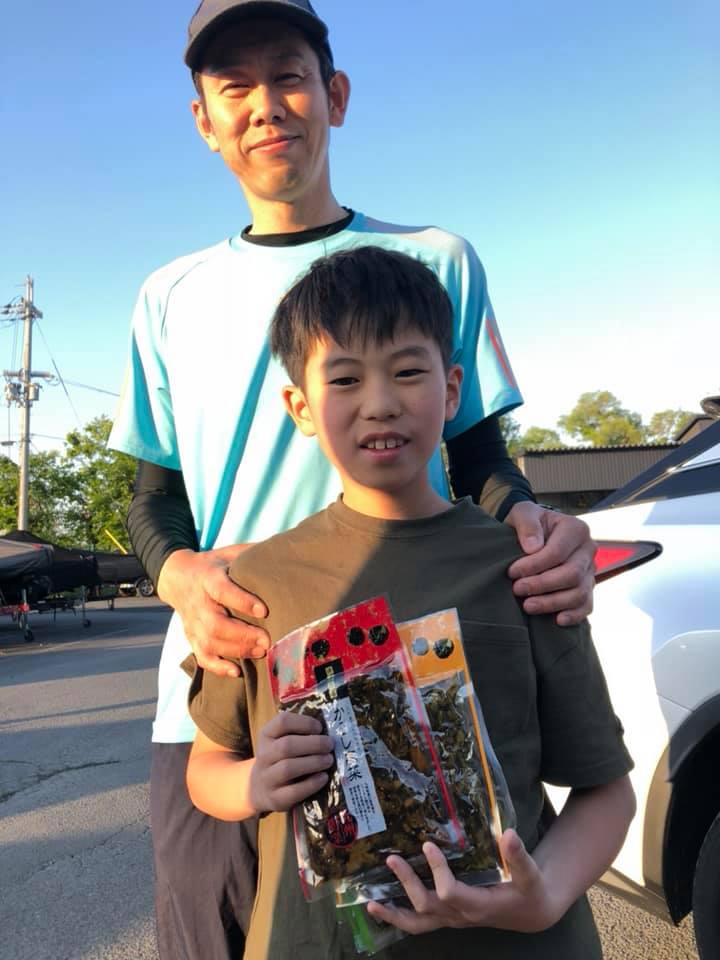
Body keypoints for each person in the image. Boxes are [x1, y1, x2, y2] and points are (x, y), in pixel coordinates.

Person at [109, 1, 598, 956]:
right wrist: (180, 577)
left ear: (334, 94)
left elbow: (483, 459)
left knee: (444, 925)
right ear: (204, 121)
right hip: (235, 687)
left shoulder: (436, 262)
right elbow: (151, 500)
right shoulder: (167, 295)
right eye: (234, 87)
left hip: (416, 674)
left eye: (288, 74)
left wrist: (539, 528)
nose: (265, 105)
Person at [184, 245, 635, 960]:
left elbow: (605, 789)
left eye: (407, 371)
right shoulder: (258, 583)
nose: (381, 402)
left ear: (452, 390)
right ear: (300, 407)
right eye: (345, 378)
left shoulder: (525, 567)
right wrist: (253, 783)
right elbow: (207, 767)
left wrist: (545, 894)